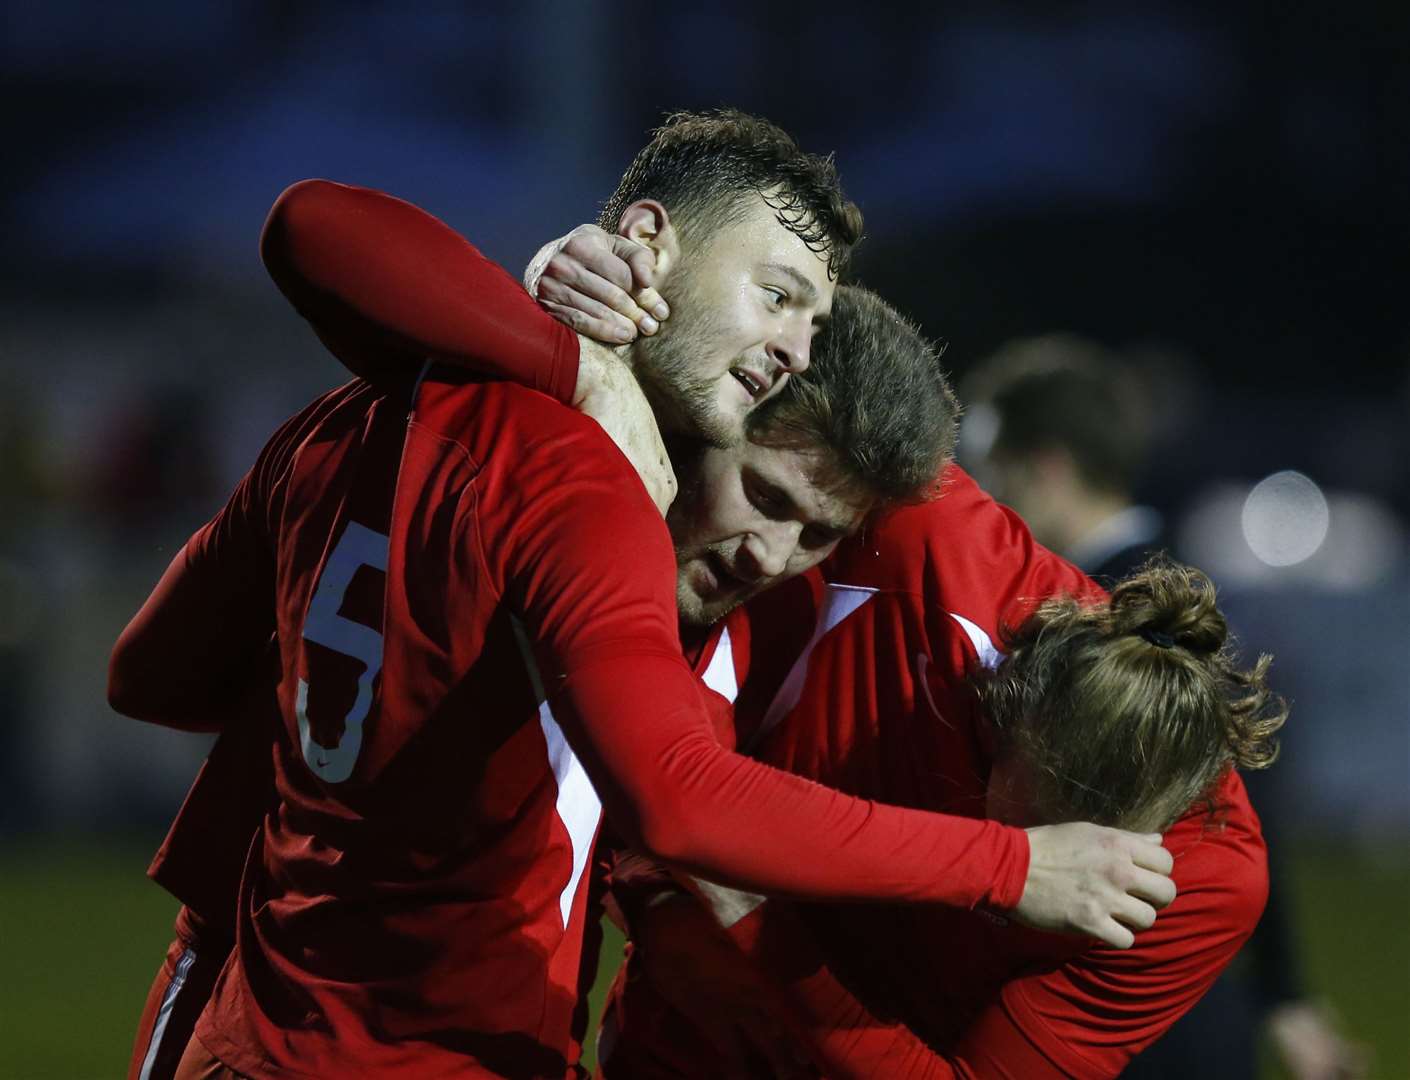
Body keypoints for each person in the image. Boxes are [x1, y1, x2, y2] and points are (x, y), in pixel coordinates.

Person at [114, 112, 1170, 1080]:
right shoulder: (595, 493)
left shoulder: (351, 411)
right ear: (647, 245)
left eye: (818, 537)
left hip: (243, 1018)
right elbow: (682, 795)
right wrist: (1009, 864)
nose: (795, 344)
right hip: (420, 1051)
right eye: (777, 293)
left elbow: (153, 676)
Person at [963, 338, 1369, 1080]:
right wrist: (1285, 997)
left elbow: (1243, 807)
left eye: (994, 473)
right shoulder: (1189, 592)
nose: (984, 500)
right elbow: (1254, 807)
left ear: (1047, 466)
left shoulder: (1109, 618)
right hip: (1185, 998)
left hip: (1124, 1005)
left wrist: (1286, 996)